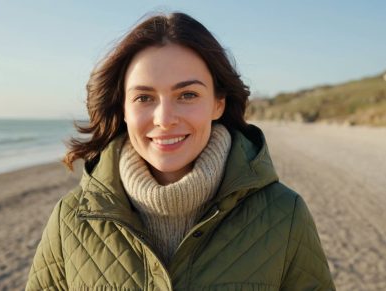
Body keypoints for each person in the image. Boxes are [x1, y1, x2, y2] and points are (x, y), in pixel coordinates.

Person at [26, 12, 335, 290]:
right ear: (123, 108)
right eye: (144, 98)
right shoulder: (71, 220)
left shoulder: (285, 214)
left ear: (218, 103)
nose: (164, 118)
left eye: (187, 94)